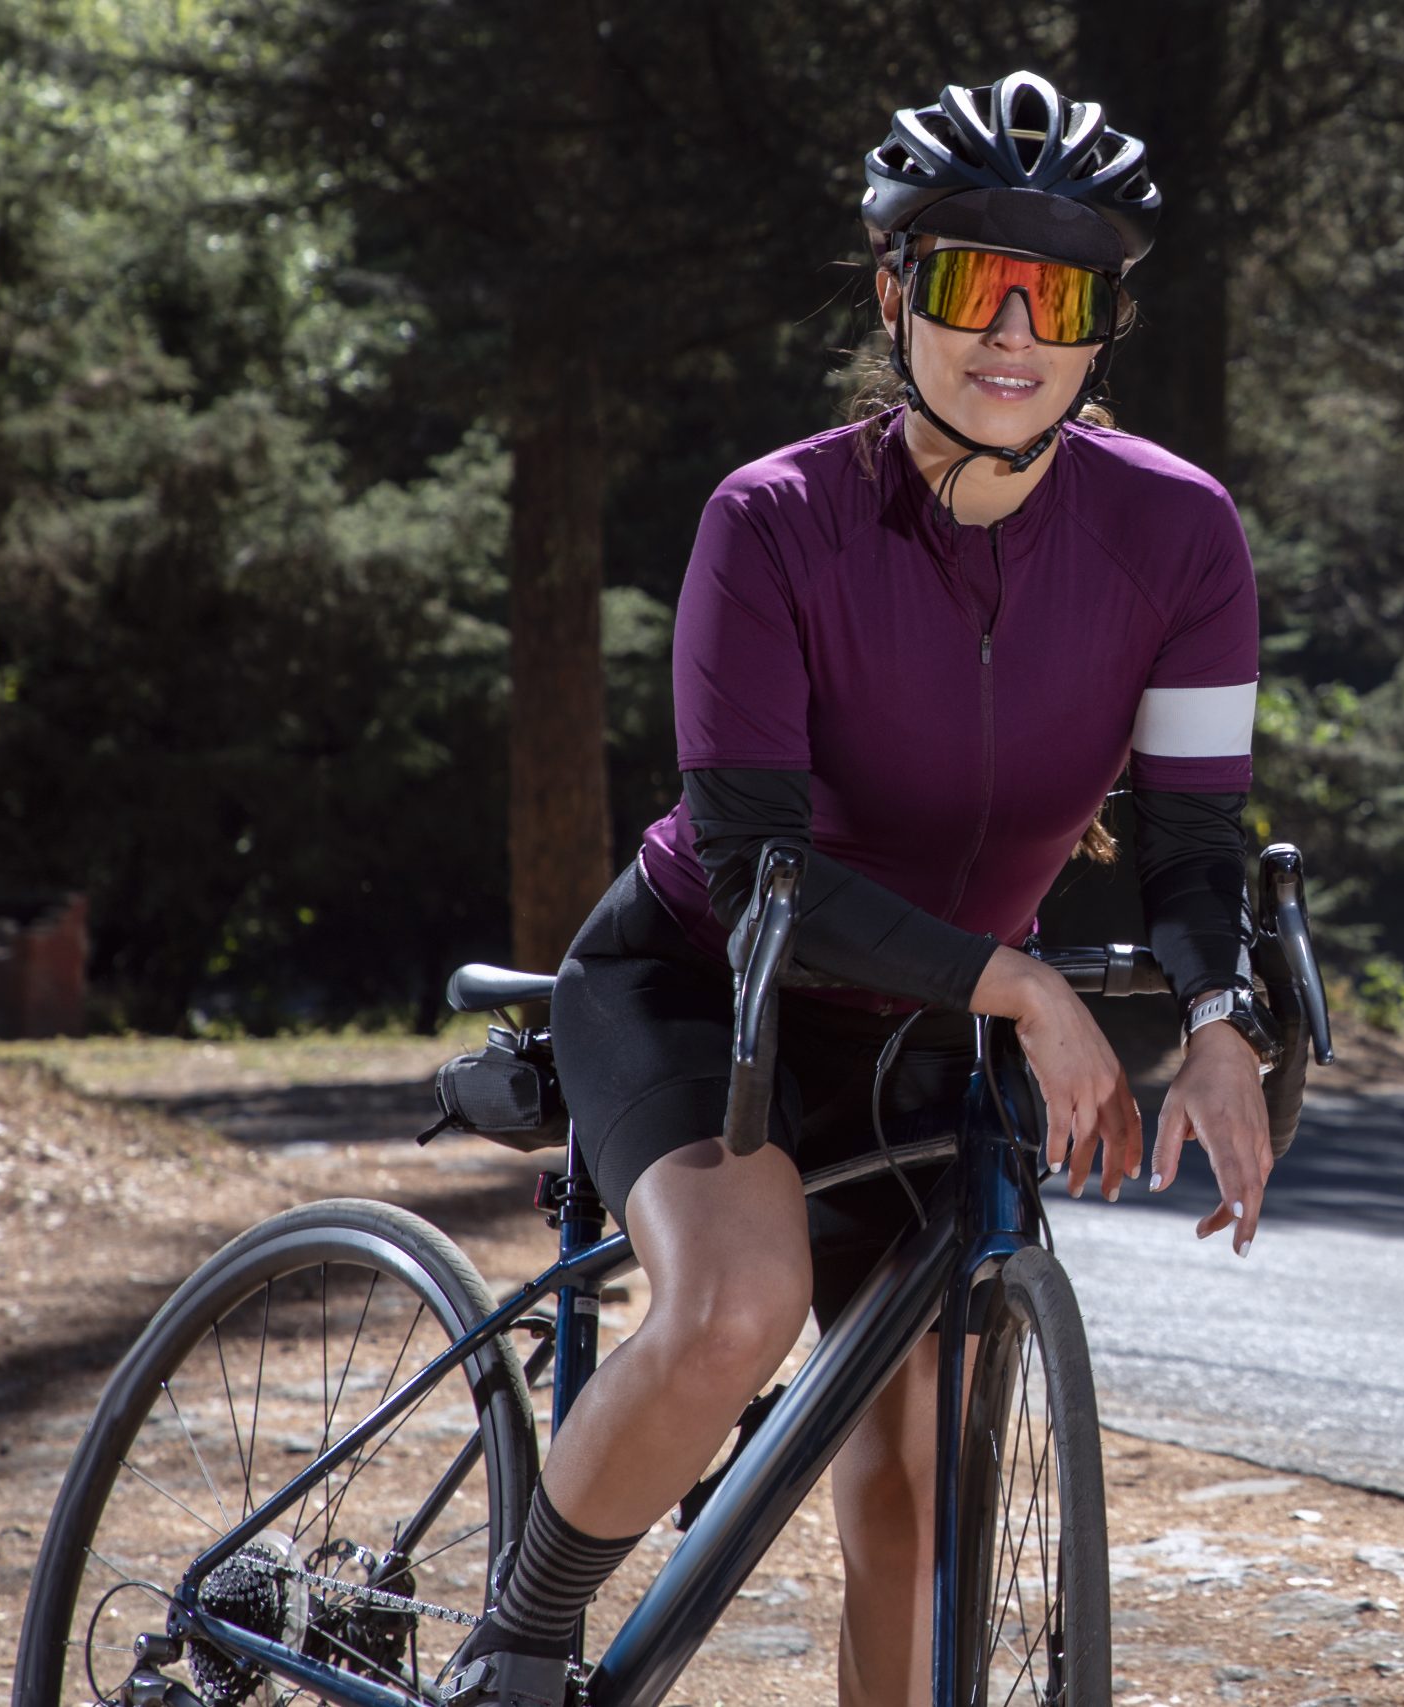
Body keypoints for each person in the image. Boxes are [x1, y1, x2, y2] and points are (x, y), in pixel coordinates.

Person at [439, 70, 1282, 1707]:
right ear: (897, 292)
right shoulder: (773, 523)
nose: (1014, 332)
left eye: (1066, 291)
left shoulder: (1183, 538)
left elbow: (1194, 839)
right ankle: (520, 1640)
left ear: (1110, 323)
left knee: (917, 1486)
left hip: (926, 1034)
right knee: (733, 1308)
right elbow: (764, 873)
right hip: (704, 984)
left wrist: (1223, 1016)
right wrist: (1026, 985)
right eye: (973, 281)